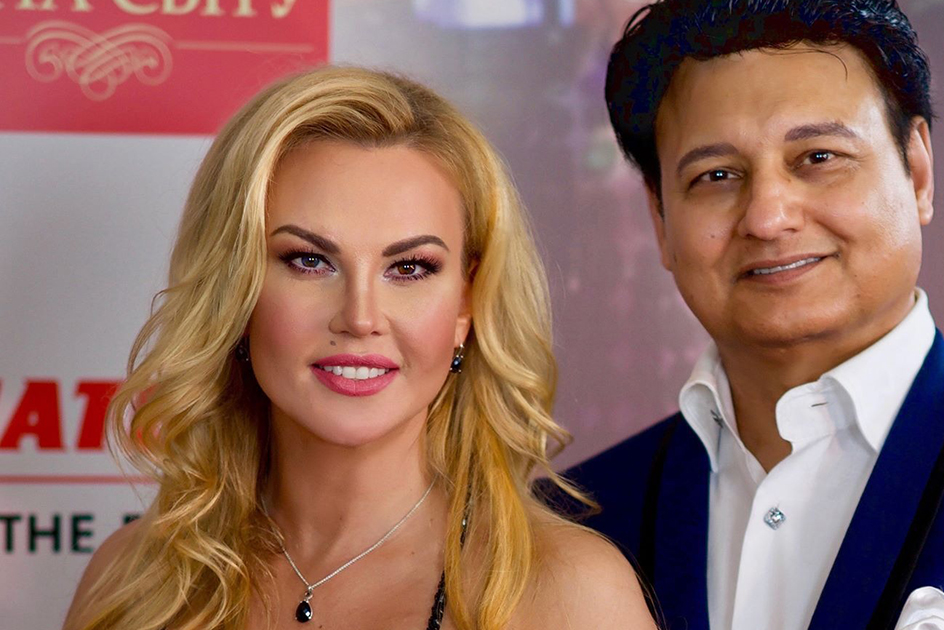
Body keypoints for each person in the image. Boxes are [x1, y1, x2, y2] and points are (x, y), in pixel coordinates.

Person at [552, 1, 944, 629]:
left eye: (818, 158)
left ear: (917, 171)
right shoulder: (570, 526)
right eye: (717, 176)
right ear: (660, 219)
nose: (768, 217)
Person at [62, 66, 656, 630]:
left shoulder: (571, 592)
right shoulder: (132, 578)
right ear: (235, 289)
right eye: (309, 260)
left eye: (410, 267)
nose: (360, 317)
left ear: (466, 304)